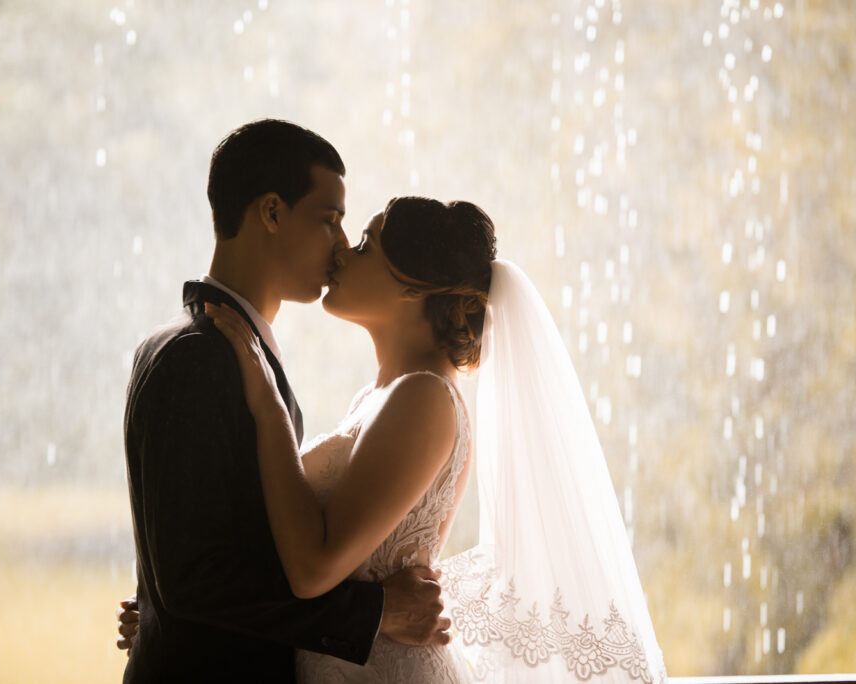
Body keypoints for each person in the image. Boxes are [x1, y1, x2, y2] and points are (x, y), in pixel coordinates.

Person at [198, 194, 668, 682]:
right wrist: (187, 605)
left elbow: (313, 569)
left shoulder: (423, 398)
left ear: (411, 287)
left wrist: (268, 405)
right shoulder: (379, 396)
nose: (341, 251)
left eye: (365, 244)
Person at [118, 119, 450, 683]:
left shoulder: (224, 352)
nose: (342, 248)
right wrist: (376, 612)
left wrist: (158, 605)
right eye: (331, 221)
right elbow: (195, 579)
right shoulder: (195, 356)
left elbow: (209, 547)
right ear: (271, 213)